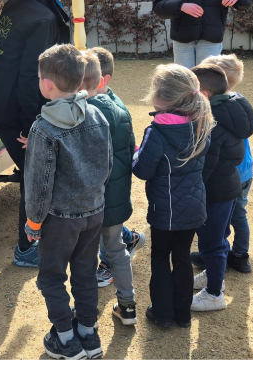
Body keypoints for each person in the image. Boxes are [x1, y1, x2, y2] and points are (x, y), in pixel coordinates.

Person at [0, 0, 75, 268]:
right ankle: (27, 248)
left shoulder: (20, 1)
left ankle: (33, 239)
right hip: (14, 107)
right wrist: (30, 126)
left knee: (33, 170)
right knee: (37, 174)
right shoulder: (46, 19)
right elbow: (30, 77)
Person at [23, 44, 111, 359]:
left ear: (46, 84)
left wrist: (33, 222)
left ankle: (65, 337)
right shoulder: (97, 113)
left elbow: (38, 183)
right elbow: (107, 164)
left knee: (51, 276)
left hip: (60, 218)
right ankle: (88, 333)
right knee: (86, 272)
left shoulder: (43, 128)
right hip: (94, 210)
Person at [131, 63, 214, 330]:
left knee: (160, 257)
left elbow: (143, 170)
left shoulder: (157, 131)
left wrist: (136, 152)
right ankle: (183, 315)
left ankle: (163, 314)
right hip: (193, 206)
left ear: (161, 97)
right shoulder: (202, 123)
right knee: (181, 257)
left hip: (164, 209)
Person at [189, 62, 253, 312]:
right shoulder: (231, 111)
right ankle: (212, 275)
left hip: (215, 192)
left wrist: (192, 185)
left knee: (212, 243)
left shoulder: (213, 123)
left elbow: (206, 166)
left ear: (204, 95)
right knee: (218, 239)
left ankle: (214, 293)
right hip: (227, 187)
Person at [85, 48, 143, 325]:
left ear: (101, 79)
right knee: (116, 250)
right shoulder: (117, 103)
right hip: (116, 197)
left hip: (94, 198)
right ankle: (128, 305)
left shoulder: (91, 111)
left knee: (87, 254)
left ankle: (87, 314)